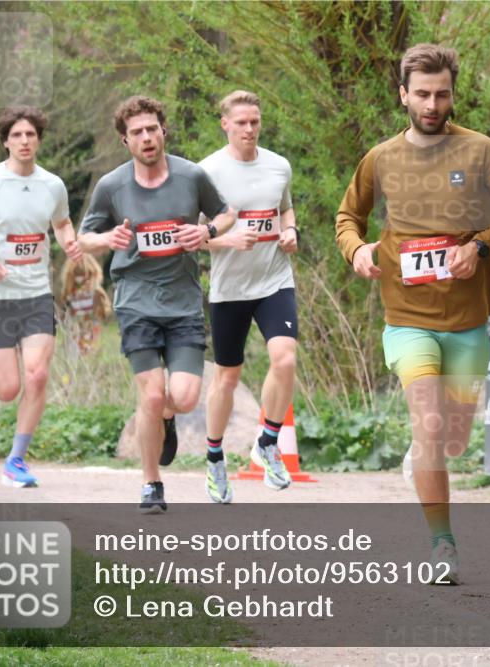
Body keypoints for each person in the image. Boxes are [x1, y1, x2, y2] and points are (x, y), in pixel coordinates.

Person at [336, 44, 490, 583]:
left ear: (452, 94)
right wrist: (356, 250)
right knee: (428, 424)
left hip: (468, 319)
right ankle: (442, 546)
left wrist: (481, 248)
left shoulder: (481, 151)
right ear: (403, 94)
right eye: (421, 93)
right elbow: (348, 216)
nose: (431, 103)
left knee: (452, 440)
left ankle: (425, 452)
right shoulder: (381, 158)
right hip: (406, 316)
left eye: (441, 93)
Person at [78, 95, 235, 513]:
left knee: (181, 398)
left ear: (162, 130)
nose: (146, 138)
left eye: (152, 129)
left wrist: (208, 231)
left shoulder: (191, 176)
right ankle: (151, 484)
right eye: (136, 133)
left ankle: (166, 418)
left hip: (183, 302)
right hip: (136, 301)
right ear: (124, 141)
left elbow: (227, 213)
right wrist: (106, 240)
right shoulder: (112, 186)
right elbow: (84, 238)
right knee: (149, 395)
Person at [0, 106, 83, 488]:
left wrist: (68, 242)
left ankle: (15, 461)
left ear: (39, 139)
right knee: (7, 390)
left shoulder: (53, 185)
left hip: (35, 293)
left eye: (31, 135)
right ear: (6, 141)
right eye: (17, 135)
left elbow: (61, 222)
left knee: (38, 375)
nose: (25, 141)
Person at [198, 90, 298, 501]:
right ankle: (214, 457)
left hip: (275, 279)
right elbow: (195, 237)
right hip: (230, 289)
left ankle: (268, 441)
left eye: (255, 121)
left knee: (285, 358)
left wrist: (291, 230)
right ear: (225, 124)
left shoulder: (279, 166)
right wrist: (228, 241)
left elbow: (286, 210)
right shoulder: (206, 172)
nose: (250, 129)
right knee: (227, 377)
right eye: (241, 122)